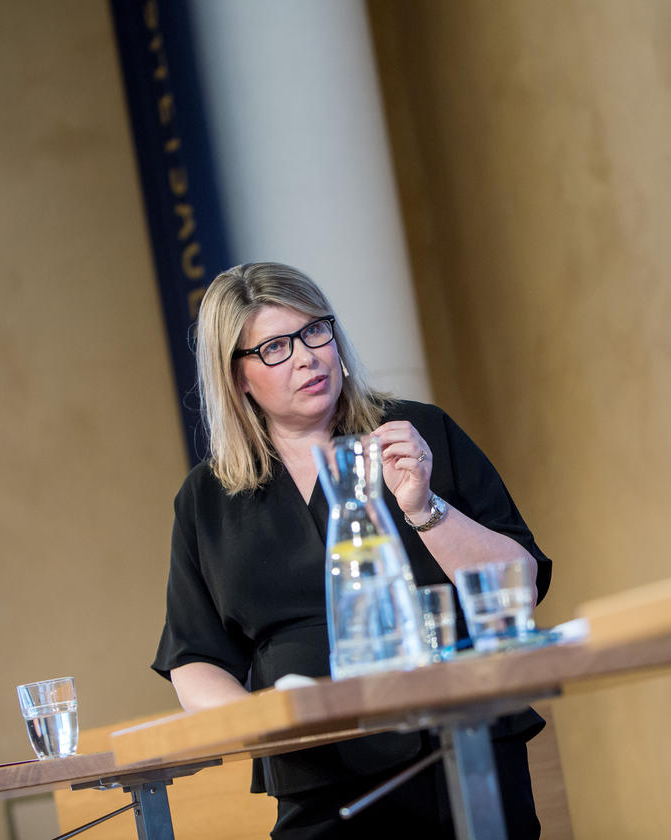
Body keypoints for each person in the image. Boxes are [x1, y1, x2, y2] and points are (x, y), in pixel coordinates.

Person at [151, 262, 552, 839]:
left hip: (461, 747)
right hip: (318, 779)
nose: (306, 357)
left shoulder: (418, 434)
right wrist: (264, 724)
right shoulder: (208, 498)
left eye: (316, 331)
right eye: (274, 348)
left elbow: (519, 584)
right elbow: (197, 659)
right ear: (236, 376)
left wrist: (423, 508)